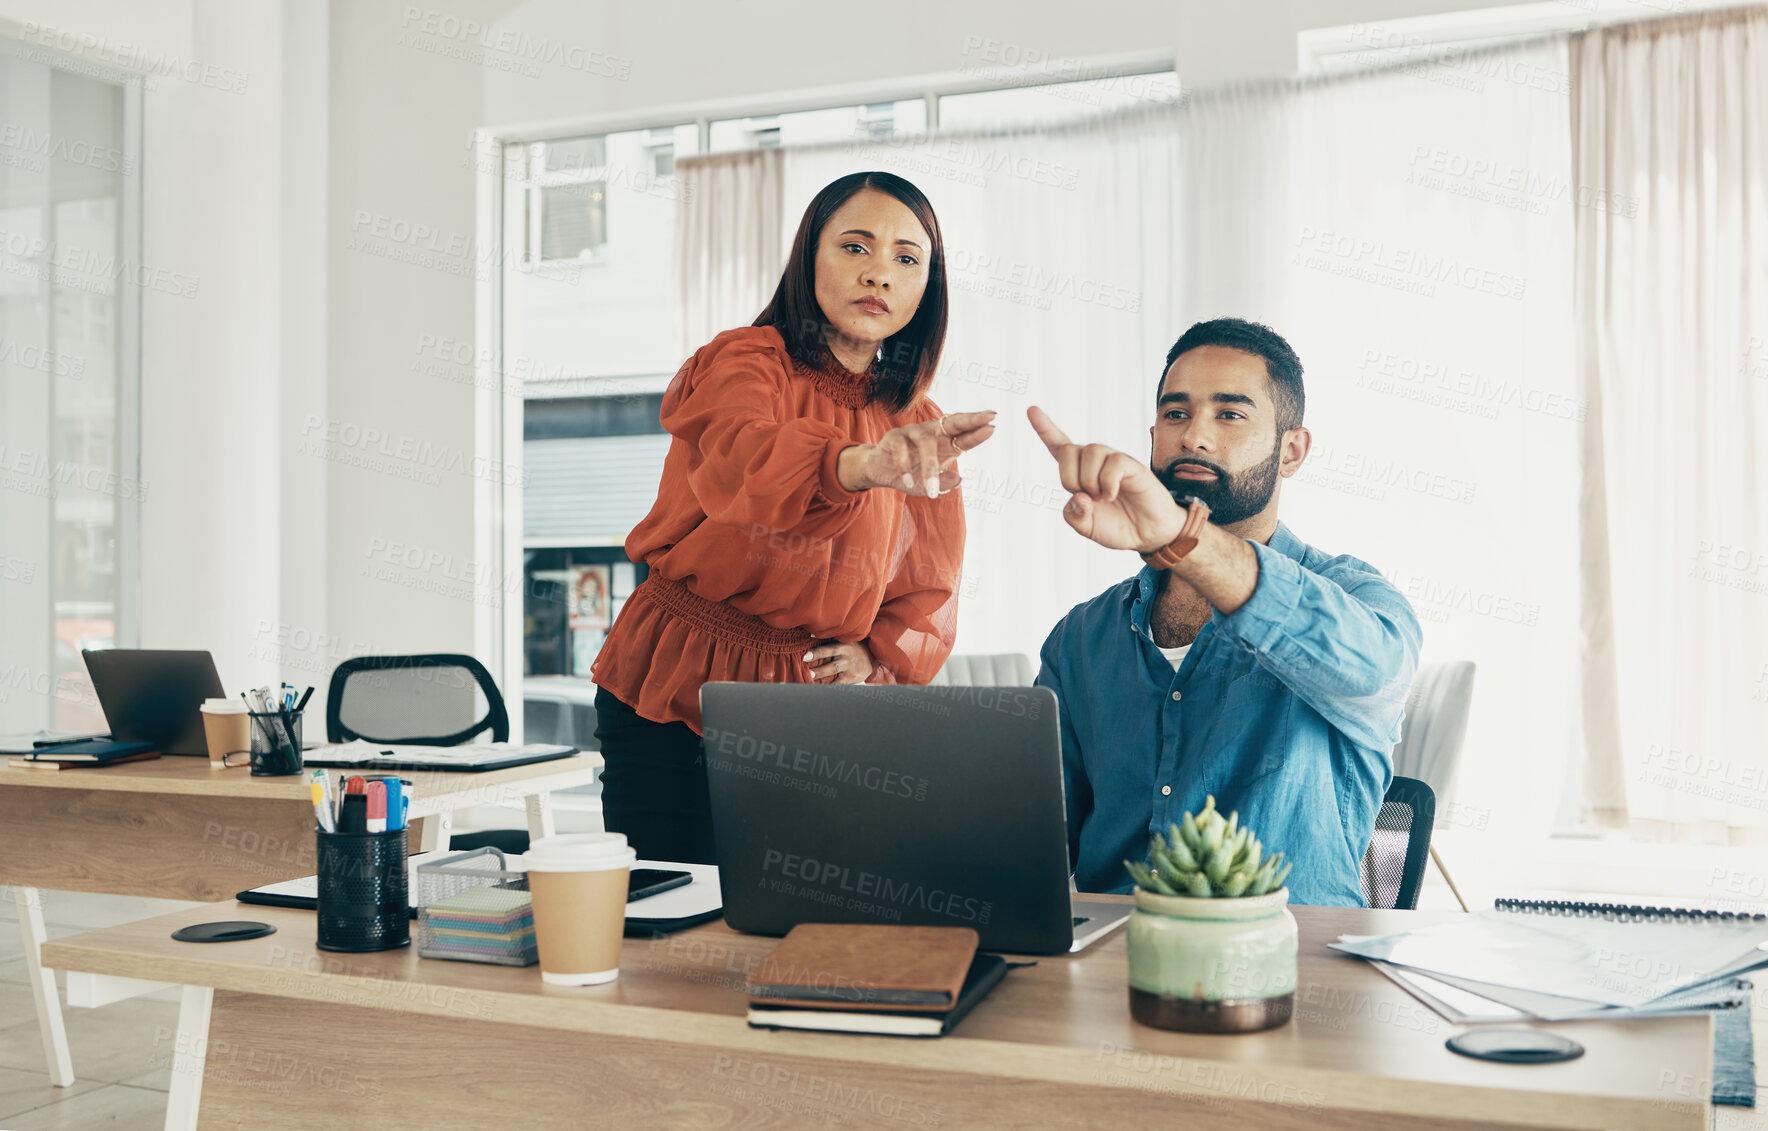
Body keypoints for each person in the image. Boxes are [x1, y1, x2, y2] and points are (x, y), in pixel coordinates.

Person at [591, 171, 997, 864]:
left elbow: (929, 583)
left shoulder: (918, 424)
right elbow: (745, 461)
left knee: (795, 929)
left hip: (813, 707)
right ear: (809, 255)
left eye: (907, 258)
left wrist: (875, 654)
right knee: (671, 938)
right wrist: (858, 466)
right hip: (679, 680)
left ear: (929, 286)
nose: (880, 274)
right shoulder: (744, 361)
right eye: (855, 246)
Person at [1029, 318, 1420, 906]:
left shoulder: (1358, 599)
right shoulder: (1081, 638)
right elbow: (1032, 840)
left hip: (1296, 975)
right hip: (1117, 967)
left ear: (1291, 451)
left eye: (1230, 414)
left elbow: (1374, 670)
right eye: (1176, 414)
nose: (1194, 437)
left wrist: (1184, 540)